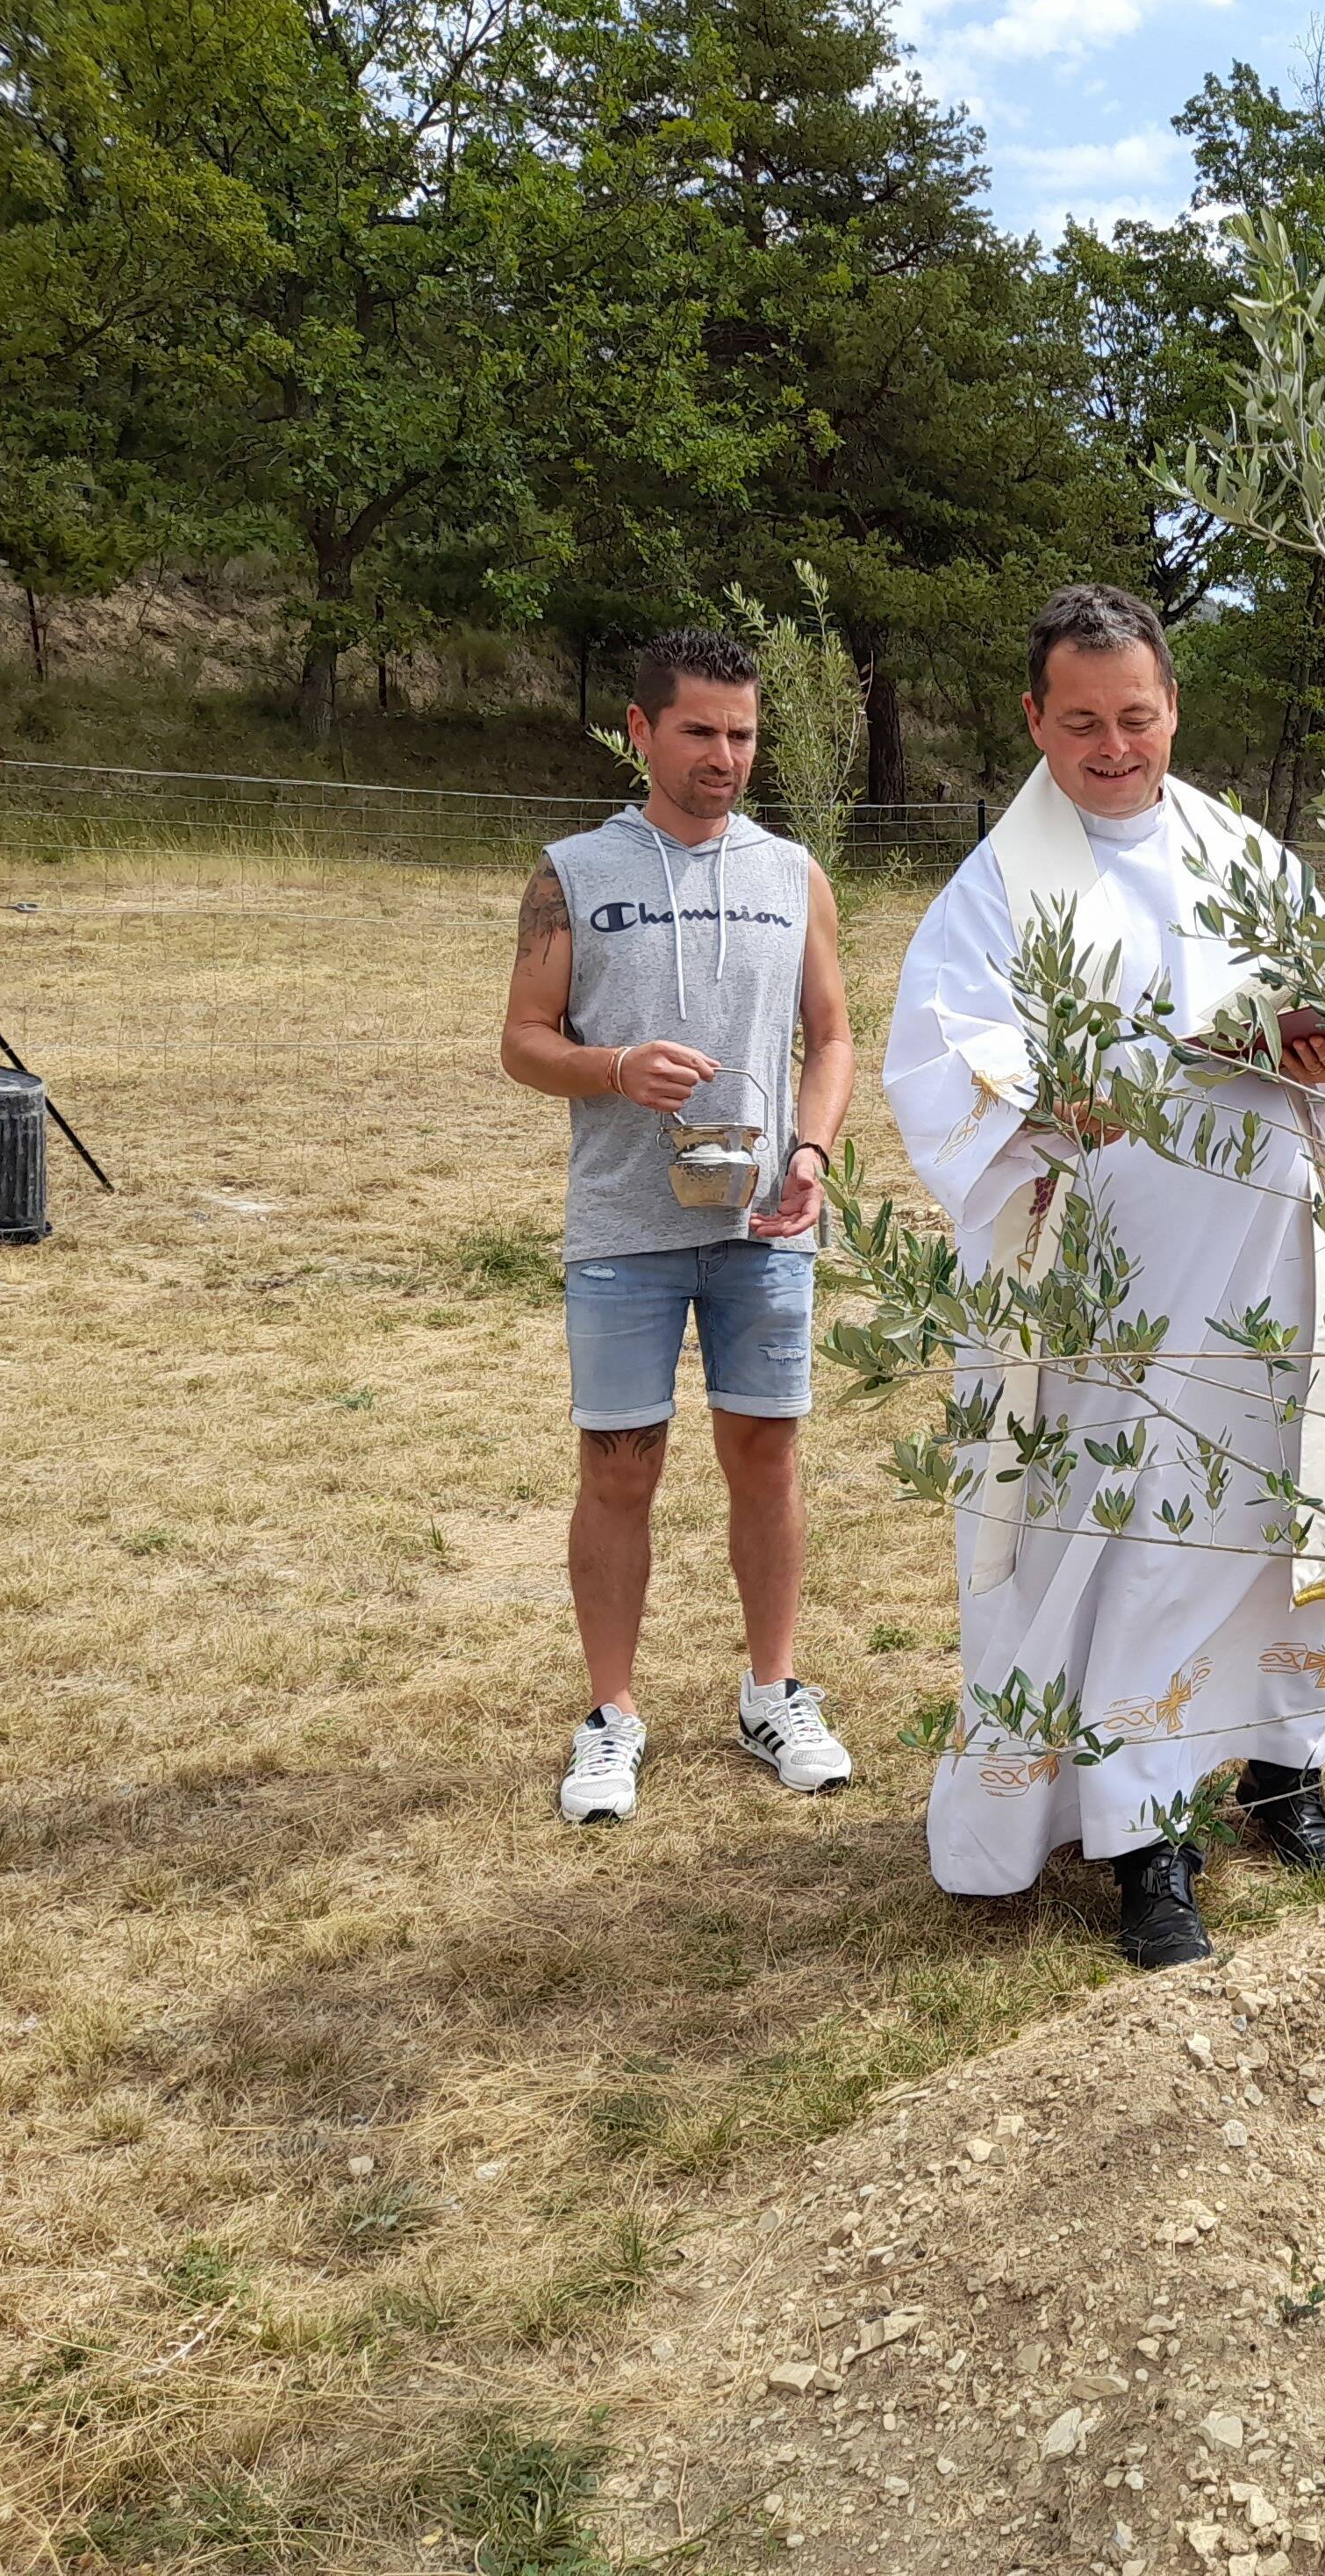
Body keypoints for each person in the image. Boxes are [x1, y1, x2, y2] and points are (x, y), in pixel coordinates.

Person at [881, 585, 1325, 1968]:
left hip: (1262, 1258)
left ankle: (1282, 1764)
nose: (1113, 746)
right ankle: (1143, 1832)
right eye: (1080, 720)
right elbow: (944, 1061)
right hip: (1101, 1297)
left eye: (1137, 718)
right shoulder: (993, 893)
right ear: (1033, 718)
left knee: (1273, 1517)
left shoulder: (1246, 858)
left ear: (1172, 709)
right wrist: (1055, 1098)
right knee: (1125, 1534)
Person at [503, 627, 858, 1824]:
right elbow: (523, 1042)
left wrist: (810, 1152)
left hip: (764, 1222)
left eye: (743, 734)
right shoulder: (571, 872)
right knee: (621, 1465)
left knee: (765, 1454)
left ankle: (774, 1691)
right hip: (621, 1225)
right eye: (700, 732)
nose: (724, 756)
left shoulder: (791, 872)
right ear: (641, 731)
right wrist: (614, 1068)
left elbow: (835, 1037)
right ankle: (611, 1718)